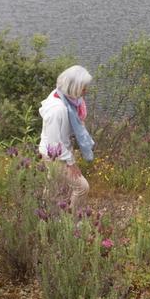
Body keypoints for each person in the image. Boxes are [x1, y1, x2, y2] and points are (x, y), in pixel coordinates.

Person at [38, 65, 95, 212]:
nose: (85, 91)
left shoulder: (67, 99)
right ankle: (71, 220)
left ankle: (46, 216)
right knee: (82, 187)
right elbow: (54, 144)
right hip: (54, 154)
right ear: (73, 87)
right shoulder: (58, 109)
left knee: (54, 185)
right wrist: (71, 163)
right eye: (83, 88)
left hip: (62, 149)